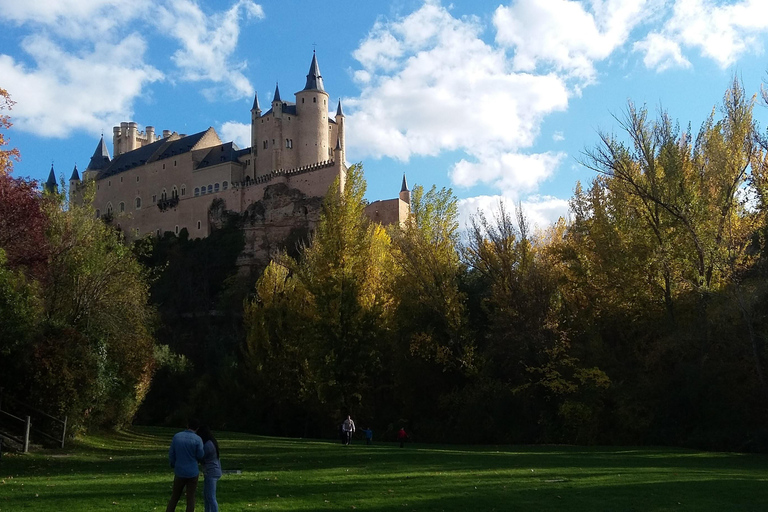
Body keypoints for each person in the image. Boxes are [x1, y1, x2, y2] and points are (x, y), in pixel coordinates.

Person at [166, 418, 205, 512]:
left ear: (187, 425)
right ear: (197, 428)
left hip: (180, 471)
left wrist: (173, 464)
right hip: (192, 472)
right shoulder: (198, 439)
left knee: (175, 497)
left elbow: (172, 453)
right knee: (190, 498)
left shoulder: (177, 437)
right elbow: (200, 455)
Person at [197, 425, 222, 512]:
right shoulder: (211, 442)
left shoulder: (208, 445)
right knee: (206, 495)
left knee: (211, 497)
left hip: (212, 472)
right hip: (212, 471)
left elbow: (200, 456)